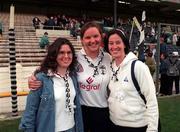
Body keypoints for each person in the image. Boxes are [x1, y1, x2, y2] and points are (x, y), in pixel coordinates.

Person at [28, 21, 112, 132]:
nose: (92, 40)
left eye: (96, 36)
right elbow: (51, 67)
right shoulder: (75, 58)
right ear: (81, 40)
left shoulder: (109, 58)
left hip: (103, 112)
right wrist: (34, 76)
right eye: (87, 37)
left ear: (101, 37)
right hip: (81, 111)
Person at [19, 38, 84, 132]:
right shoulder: (41, 79)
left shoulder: (73, 76)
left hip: (72, 128)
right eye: (61, 52)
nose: (66, 56)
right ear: (54, 55)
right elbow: (30, 111)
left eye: (69, 52)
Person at [104, 29, 159, 132]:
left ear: (124, 44)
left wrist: (152, 129)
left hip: (137, 126)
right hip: (113, 125)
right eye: (111, 43)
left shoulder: (139, 67)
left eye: (118, 42)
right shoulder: (110, 68)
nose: (114, 46)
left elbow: (151, 101)